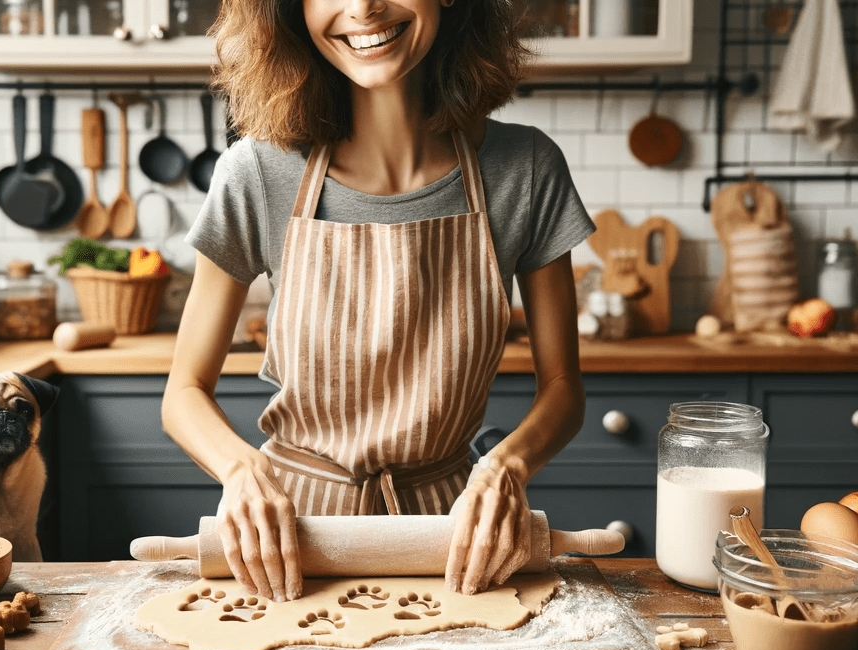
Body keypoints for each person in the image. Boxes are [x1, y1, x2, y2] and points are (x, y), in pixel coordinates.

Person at [162, 0, 594, 603]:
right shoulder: (256, 173)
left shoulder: (524, 168)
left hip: (451, 539)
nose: (363, 7)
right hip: (286, 540)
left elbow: (564, 388)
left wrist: (505, 467)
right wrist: (240, 471)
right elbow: (183, 392)